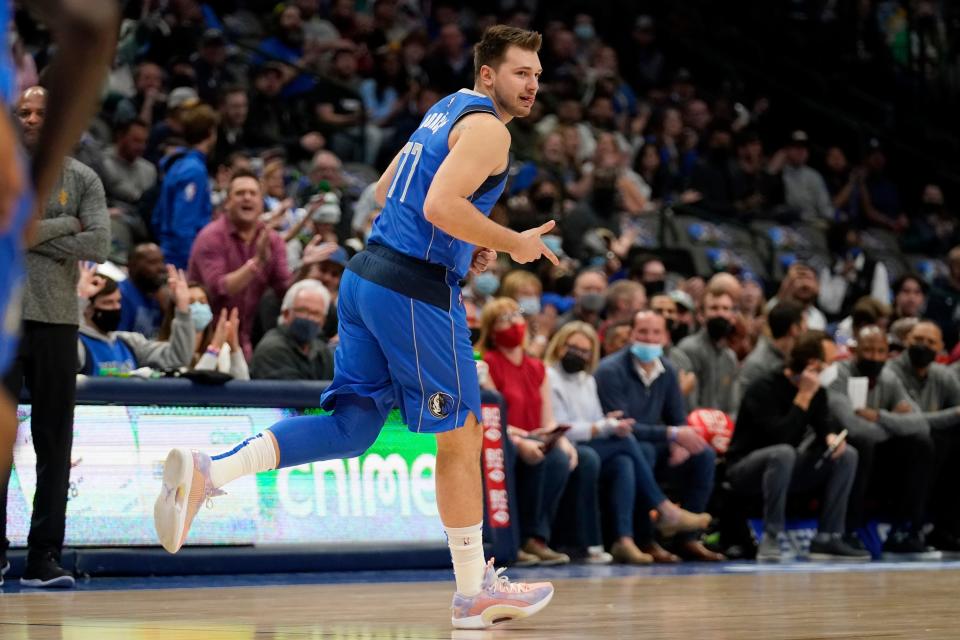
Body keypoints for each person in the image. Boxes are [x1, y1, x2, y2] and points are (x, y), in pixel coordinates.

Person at [154, 26, 557, 629]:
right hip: (414, 292)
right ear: (489, 75)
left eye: (537, 74)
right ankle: (474, 591)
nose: (533, 84)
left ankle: (216, 470)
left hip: (366, 275)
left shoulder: (445, 108)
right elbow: (439, 206)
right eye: (521, 72)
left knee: (353, 426)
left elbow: (385, 187)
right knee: (463, 433)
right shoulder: (490, 130)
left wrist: (460, 243)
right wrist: (511, 241)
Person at [0, 0, 118, 588]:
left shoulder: (83, 178)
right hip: (5, 318)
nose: (30, 120)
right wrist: (63, 231)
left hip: (55, 320)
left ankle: (43, 558)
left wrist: (30, 230)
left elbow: (100, 236)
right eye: (22, 113)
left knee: (53, 446)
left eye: (39, 113)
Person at [545, 322, 710, 564]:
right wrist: (602, 427)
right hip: (567, 445)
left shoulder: (587, 380)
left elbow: (596, 420)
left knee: (625, 460)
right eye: (572, 347)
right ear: (559, 347)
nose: (578, 355)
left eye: (585, 350)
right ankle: (664, 510)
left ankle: (625, 541)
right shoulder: (550, 376)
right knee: (627, 443)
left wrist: (605, 423)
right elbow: (560, 427)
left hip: (592, 444)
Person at [727, 331, 870, 563]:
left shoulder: (819, 393)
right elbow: (780, 437)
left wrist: (832, 438)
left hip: (788, 467)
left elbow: (825, 425)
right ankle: (771, 536)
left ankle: (828, 536)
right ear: (813, 365)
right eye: (831, 362)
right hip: (746, 468)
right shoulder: (763, 388)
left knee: (847, 455)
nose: (834, 368)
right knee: (783, 453)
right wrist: (803, 396)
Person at [594, 311, 721, 562]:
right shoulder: (610, 370)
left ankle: (688, 538)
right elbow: (622, 426)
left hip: (656, 442)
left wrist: (681, 441)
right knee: (643, 451)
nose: (649, 338)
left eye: (655, 333)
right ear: (631, 334)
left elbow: (677, 416)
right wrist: (672, 434)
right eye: (642, 332)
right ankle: (646, 539)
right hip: (620, 444)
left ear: (665, 337)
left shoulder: (669, 370)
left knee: (703, 453)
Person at [826, 326, 933, 555]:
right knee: (861, 444)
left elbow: (920, 422)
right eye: (868, 350)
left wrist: (879, 416)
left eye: (880, 351)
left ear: (887, 353)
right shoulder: (839, 374)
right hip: (839, 450)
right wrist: (896, 422)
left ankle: (904, 530)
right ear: (854, 350)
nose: (874, 357)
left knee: (921, 442)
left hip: (880, 452)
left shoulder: (889, 377)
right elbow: (853, 427)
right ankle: (850, 530)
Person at [188, 170, 290, 360]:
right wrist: (257, 262)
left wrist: (308, 268)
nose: (247, 198)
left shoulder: (272, 240)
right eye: (240, 193)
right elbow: (219, 289)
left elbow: (284, 290)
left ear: (262, 203)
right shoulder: (210, 237)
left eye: (253, 193)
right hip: (202, 340)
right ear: (227, 202)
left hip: (243, 340)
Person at [886, 321, 960, 551]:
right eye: (918, 340)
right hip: (893, 447)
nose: (923, 346)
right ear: (906, 340)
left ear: (941, 348)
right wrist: (952, 414)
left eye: (930, 342)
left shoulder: (943, 375)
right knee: (923, 442)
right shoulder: (891, 372)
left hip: (935, 447)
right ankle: (907, 528)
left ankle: (946, 529)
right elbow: (912, 423)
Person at [77, 267, 194, 376]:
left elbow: (177, 358)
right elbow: (65, 356)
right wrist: (79, 301)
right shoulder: (78, 343)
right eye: (108, 302)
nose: (116, 307)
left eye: (118, 301)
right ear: (88, 308)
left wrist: (182, 309)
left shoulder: (129, 342)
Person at [151, 103, 218, 270]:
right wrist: (192, 266)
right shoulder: (194, 171)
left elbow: (157, 219)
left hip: (169, 255)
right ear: (210, 133)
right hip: (182, 262)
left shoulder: (177, 165)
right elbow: (183, 225)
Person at [250, 280, 334, 380]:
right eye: (303, 311)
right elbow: (295, 394)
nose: (309, 318)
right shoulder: (273, 349)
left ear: (323, 321)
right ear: (286, 314)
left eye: (316, 314)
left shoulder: (322, 351)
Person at [676, 287, 739, 415]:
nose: (720, 314)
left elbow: (733, 406)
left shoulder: (730, 357)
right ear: (701, 315)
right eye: (714, 308)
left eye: (726, 309)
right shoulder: (688, 349)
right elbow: (689, 405)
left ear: (733, 316)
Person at [733, 301, 806, 409]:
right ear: (794, 329)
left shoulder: (795, 358)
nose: (807, 328)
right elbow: (744, 404)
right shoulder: (757, 363)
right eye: (805, 322)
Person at [117, 243, 167, 338]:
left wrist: (168, 309)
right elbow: (117, 341)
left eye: (162, 261)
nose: (161, 268)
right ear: (132, 266)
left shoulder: (158, 296)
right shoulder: (120, 295)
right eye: (153, 262)